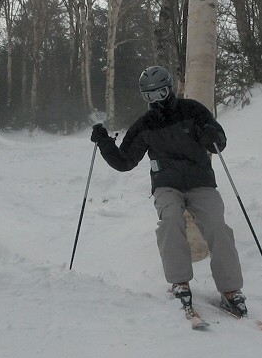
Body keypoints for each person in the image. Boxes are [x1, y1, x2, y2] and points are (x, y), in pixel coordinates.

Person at [90, 66, 248, 320]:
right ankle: (180, 284)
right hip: (166, 184)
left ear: (170, 88)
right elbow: (124, 162)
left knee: (217, 226)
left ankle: (231, 290)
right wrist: (104, 142)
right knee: (171, 221)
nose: (157, 100)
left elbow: (218, 141)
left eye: (160, 92)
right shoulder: (145, 125)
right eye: (150, 96)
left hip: (200, 182)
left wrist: (212, 135)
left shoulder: (192, 110)